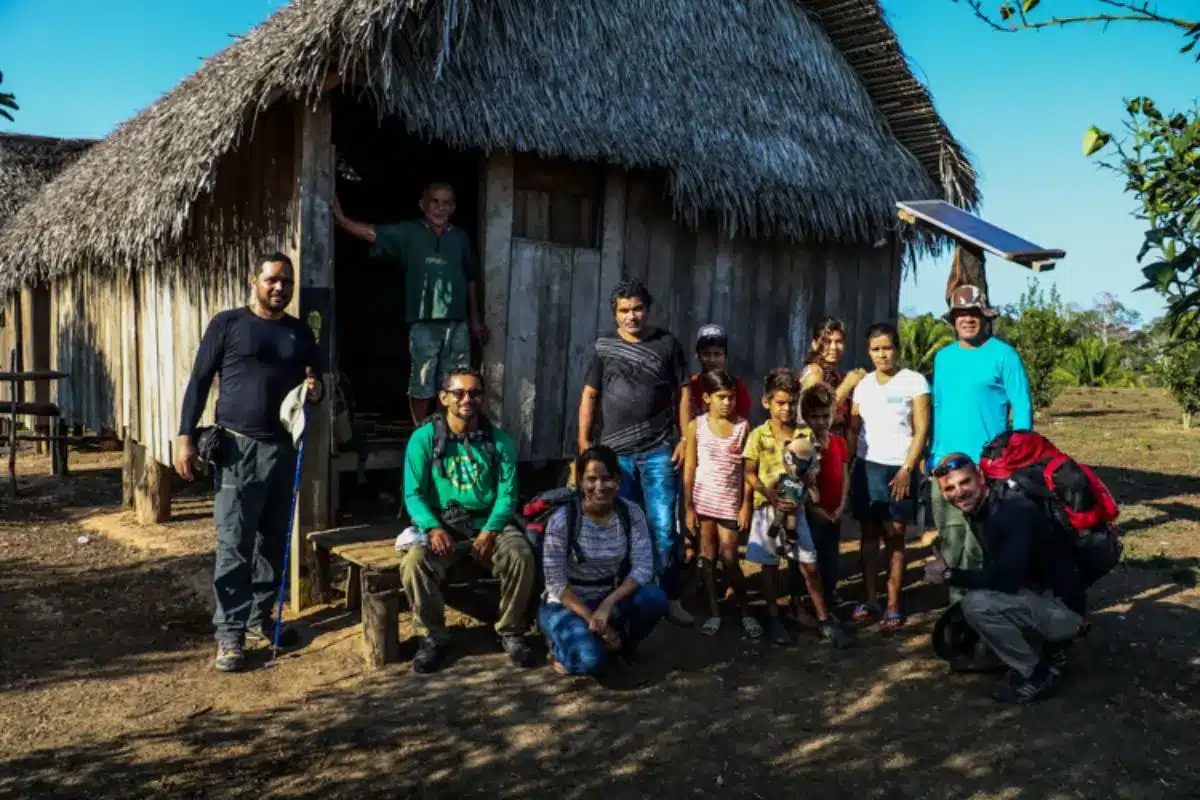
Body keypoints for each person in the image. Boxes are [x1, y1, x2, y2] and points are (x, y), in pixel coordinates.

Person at [174, 252, 323, 673]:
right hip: (237, 450)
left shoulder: (298, 333)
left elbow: (319, 383)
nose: (280, 288)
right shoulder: (228, 324)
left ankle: (261, 620)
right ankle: (230, 634)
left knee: (272, 542)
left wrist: (316, 391)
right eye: (273, 279)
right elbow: (200, 380)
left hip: (283, 449)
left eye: (287, 282)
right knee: (235, 544)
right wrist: (185, 436)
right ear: (254, 280)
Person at [399, 367, 536, 674]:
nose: (467, 399)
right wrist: (432, 526)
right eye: (459, 393)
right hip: (442, 523)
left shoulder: (498, 441)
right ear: (444, 397)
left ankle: (511, 631)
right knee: (414, 564)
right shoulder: (424, 439)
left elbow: (507, 494)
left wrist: (490, 531)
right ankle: (432, 638)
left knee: (521, 555)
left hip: (488, 522)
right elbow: (413, 493)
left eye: (474, 393)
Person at [577, 279, 694, 626]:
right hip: (615, 455)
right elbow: (590, 394)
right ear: (615, 314)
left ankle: (668, 596)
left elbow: (683, 392)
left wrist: (685, 438)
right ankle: (625, 598)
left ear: (648, 309)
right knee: (621, 526)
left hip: (659, 450)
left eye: (637, 308)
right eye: (624, 310)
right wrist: (584, 443)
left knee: (662, 528)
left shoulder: (667, 344)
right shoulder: (603, 346)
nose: (632, 316)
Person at [924, 453, 1084, 704]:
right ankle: (1046, 646)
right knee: (973, 604)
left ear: (980, 476)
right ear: (944, 494)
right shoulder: (986, 506)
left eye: (965, 482)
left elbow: (1006, 580)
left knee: (976, 605)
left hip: (1063, 609)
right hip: (1043, 595)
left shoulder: (1009, 511)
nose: (960, 492)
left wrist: (948, 575)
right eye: (951, 488)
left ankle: (1036, 673)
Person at [333, 183, 488, 425]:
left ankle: (442, 430)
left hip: (457, 323)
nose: (440, 208)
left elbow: (470, 278)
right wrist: (342, 220)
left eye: (446, 203)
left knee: (452, 382)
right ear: (423, 205)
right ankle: (420, 432)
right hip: (424, 321)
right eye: (435, 202)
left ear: (454, 207)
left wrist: (476, 320)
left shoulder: (460, 238)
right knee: (422, 382)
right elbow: (373, 233)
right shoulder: (410, 233)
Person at [930, 285, 1033, 595]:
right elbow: (938, 408)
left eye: (973, 313)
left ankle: (985, 613)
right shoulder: (943, 358)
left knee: (982, 545)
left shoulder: (1004, 356)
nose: (967, 319)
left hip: (986, 468)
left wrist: (1014, 460)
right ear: (953, 319)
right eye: (961, 314)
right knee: (951, 541)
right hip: (946, 467)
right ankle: (956, 612)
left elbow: (1023, 409)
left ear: (984, 316)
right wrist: (932, 458)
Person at [743, 368, 851, 648]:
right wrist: (769, 492)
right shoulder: (757, 435)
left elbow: (813, 466)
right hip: (767, 508)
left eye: (791, 402)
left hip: (799, 510)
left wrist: (805, 482)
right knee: (769, 566)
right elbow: (749, 473)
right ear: (766, 402)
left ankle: (823, 618)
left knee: (808, 564)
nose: (786, 408)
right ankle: (774, 618)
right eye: (780, 402)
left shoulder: (805, 433)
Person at [538, 446, 668, 676]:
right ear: (579, 481)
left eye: (607, 478)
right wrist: (592, 619)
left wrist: (607, 605)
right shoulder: (563, 520)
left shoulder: (631, 513)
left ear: (618, 479)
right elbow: (556, 584)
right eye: (591, 479)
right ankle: (561, 648)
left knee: (654, 598)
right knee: (588, 660)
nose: (599, 487)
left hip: (608, 598)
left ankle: (621, 645)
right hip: (567, 604)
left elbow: (643, 567)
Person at [849, 322, 931, 630]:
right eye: (876, 349)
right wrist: (848, 469)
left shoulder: (914, 382)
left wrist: (907, 469)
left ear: (897, 349)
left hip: (899, 468)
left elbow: (921, 429)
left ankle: (894, 602)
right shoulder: (863, 385)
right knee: (869, 536)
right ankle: (871, 599)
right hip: (866, 465)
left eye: (887, 348)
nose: (882, 355)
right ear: (869, 352)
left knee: (895, 534)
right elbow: (854, 430)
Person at [682, 370, 757, 638]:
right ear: (707, 398)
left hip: (729, 503)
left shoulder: (742, 427)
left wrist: (746, 505)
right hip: (703, 502)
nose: (727, 403)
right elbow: (690, 466)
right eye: (722, 397)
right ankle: (715, 612)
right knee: (708, 558)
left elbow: (748, 471)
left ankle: (745, 611)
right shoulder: (696, 426)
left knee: (730, 558)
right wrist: (689, 506)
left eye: (732, 397)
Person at [800, 384, 850, 613]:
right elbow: (803, 481)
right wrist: (814, 508)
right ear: (806, 417)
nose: (820, 421)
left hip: (835, 511)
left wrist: (841, 506)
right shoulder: (804, 446)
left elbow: (844, 475)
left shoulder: (839, 442)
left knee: (831, 556)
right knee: (811, 557)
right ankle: (808, 599)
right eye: (814, 416)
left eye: (824, 416)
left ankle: (829, 595)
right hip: (813, 513)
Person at [798, 316, 866, 443]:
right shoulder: (814, 372)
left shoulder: (838, 375)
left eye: (839, 341)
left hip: (836, 446)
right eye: (827, 342)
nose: (834, 347)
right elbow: (819, 411)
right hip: (814, 446)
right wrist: (848, 384)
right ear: (814, 344)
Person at [687, 324, 753, 421]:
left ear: (725, 356)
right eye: (706, 354)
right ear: (698, 356)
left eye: (717, 354)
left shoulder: (738, 387)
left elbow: (744, 422)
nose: (712, 359)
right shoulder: (690, 386)